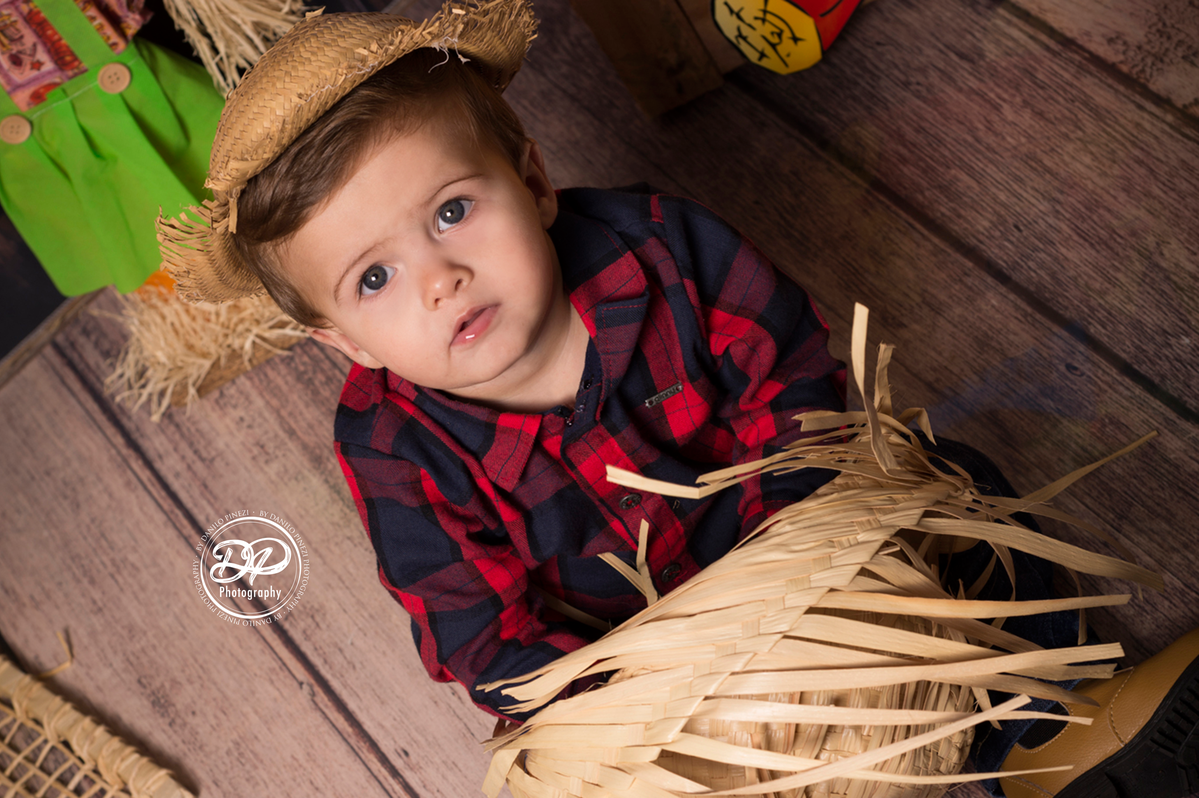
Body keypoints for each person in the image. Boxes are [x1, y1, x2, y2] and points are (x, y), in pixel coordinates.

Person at [157, 3, 1199, 796]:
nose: (437, 279)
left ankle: (1048, 725)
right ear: (341, 340)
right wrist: (646, 695)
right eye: (373, 280)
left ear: (533, 178)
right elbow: (478, 636)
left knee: (958, 494)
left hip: (809, 557)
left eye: (453, 210)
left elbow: (796, 392)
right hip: (647, 680)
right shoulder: (392, 446)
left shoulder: (659, 246)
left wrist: (797, 600)